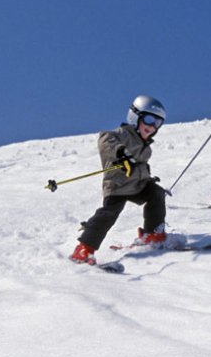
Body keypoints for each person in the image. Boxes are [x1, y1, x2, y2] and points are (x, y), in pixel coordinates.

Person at [70, 95, 174, 265]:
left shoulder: (146, 147)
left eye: (157, 123)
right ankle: (84, 248)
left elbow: (139, 166)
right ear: (135, 116)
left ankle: (152, 234)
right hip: (117, 186)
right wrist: (121, 153)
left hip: (137, 186)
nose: (152, 126)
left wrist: (146, 177)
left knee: (156, 193)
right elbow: (105, 139)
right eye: (148, 119)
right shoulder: (124, 135)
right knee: (109, 213)